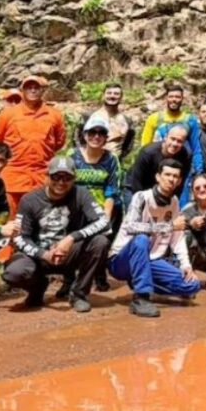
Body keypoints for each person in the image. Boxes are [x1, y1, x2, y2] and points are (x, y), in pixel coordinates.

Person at [2, 157, 110, 312]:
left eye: (67, 178)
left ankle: (79, 294)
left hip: (70, 253)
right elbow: (19, 237)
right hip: (39, 257)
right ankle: (37, 288)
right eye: (56, 177)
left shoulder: (81, 194)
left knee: (100, 242)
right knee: (13, 273)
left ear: (74, 179)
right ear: (47, 176)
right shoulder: (30, 200)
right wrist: (43, 253)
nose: (61, 182)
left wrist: (72, 238)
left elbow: (104, 222)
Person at [109, 159, 200, 317]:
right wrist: (169, 226)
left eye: (175, 176)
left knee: (192, 285)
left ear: (179, 181)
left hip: (150, 260)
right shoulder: (141, 197)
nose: (171, 179)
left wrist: (186, 265)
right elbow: (131, 226)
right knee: (141, 239)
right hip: (120, 260)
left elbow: (177, 238)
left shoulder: (174, 202)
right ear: (158, 177)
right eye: (167, 174)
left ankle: (140, 280)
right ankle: (141, 298)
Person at [0, 76, 66, 217]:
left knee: (40, 221)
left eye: (36, 87)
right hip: (13, 179)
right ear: (22, 90)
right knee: (10, 221)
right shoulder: (8, 114)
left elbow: (59, 142)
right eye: (29, 87)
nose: (33, 90)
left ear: (42, 90)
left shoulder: (54, 115)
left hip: (41, 178)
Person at [68, 116, 121, 292]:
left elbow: (111, 190)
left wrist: (105, 218)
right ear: (84, 135)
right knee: (72, 242)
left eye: (101, 133)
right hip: (74, 208)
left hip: (100, 208)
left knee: (101, 242)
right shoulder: (72, 156)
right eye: (92, 132)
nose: (96, 136)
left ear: (106, 137)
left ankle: (98, 275)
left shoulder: (111, 160)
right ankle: (68, 280)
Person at [140, 85, 203, 204]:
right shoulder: (154, 119)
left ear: (182, 99)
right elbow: (145, 146)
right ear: (166, 99)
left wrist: (198, 171)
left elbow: (196, 148)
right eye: (171, 96)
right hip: (157, 167)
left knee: (180, 204)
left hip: (181, 169)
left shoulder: (190, 120)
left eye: (177, 97)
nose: (174, 99)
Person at [124, 125, 191, 206]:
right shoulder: (148, 153)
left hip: (159, 188)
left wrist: (173, 201)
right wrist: (143, 204)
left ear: (184, 143)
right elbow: (137, 181)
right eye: (172, 139)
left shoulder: (184, 156)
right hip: (135, 186)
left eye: (179, 141)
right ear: (166, 137)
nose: (174, 144)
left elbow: (179, 183)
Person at [74, 83, 136, 160]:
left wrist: (119, 158)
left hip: (113, 164)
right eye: (109, 93)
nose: (112, 96)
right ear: (103, 95)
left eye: (116, 94)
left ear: (121, 97)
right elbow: (77, 138)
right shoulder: (89, 116)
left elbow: (129, 144)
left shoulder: (127, 121)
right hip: (89, 162)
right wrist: (81, 157)